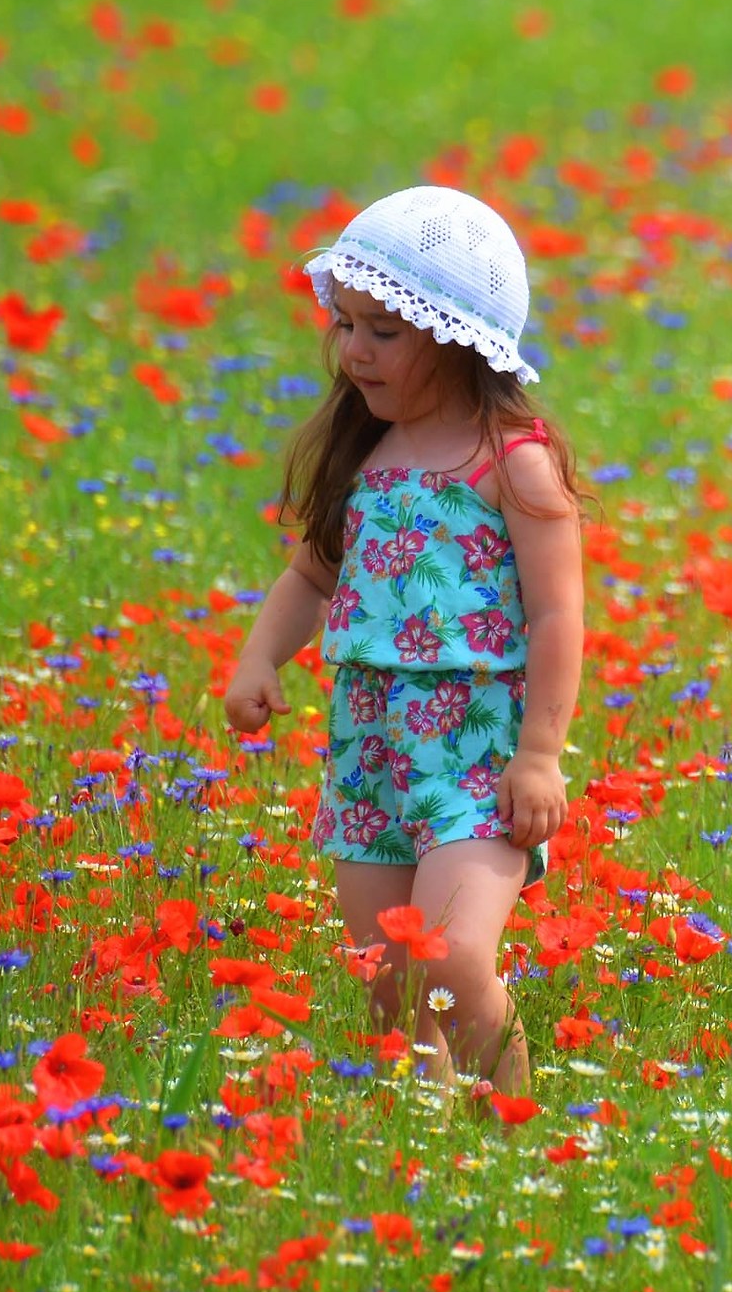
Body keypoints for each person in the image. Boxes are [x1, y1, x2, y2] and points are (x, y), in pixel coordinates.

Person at [221, 185, 582, 1098]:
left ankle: (512, 1119)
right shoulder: (367, 451)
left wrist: (540, 754)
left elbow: (555, 616)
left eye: (382, 330)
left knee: (455, 960)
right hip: (371, 754)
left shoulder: (512, 460)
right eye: (343, 325)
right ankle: (420, 1129)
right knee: (390, 981)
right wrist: (260, 657)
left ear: (456, 331)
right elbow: (312, 574)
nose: (352, 352)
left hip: (475, 759)